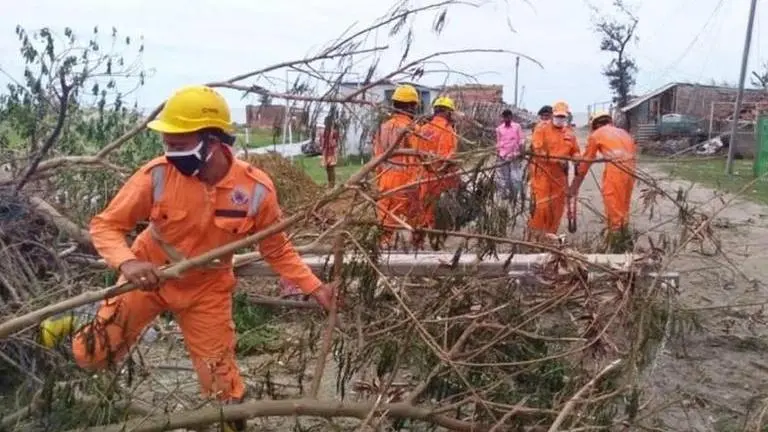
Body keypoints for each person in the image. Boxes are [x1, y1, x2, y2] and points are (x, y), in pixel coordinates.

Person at [40, 85, 336, 431]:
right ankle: (73, 322)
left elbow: (277, 248)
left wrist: (315, 287)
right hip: (150, 275)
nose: (170, 152)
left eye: (178, 145)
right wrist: (128, 264)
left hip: (206, 289)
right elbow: (105, 226)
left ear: (212, 142)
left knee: (222, 383)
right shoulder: (158, 175)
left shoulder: (255, 190)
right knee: (91, 354)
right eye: (166, 144)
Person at [570, 111, 637, 251]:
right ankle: (625, 238)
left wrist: (574, 187)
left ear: (595, 124)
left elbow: (586, 162)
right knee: (623, 208)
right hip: (631, 171)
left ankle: (618, 247)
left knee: (613, 208)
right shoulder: (623, 132)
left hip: (616, 171)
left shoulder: (597, 134)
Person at [373, 84, 423, 248]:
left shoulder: (383, 128)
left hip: (385, 181)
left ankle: (383, 249)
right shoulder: (414, 129)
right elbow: (419, 159)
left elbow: (377, 157)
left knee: (386, 222)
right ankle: (417, 251)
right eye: (414, 106)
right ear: (410, 106)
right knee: (416, 220)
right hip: (408, 182)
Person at [527, 101, 581, 240]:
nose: (560, 119)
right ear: (552, 115)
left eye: (563, 116)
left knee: (557, 208)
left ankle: (551, 237)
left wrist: (576, 158)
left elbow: (575, 150)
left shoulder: (569, 133)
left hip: (560, 176)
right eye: (557, 116)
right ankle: (536, 237)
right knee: (542, 207)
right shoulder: (541, 129)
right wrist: (557, 160)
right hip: (542, 174)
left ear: (567, 116)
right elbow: (538, 150)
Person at [416, 96, 459, 248]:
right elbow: (447, 158)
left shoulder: (423, 129)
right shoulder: (447, 130)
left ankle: (418, 242)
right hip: (439, 178)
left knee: (422, 209)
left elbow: (417, 154)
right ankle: (436, 243)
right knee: (438, 212)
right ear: (447, 112)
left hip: (422, 176)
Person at [495, 108, 524, 202]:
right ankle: (507, 194)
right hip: (503, 156)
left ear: (511, 117)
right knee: (505, 178)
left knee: (516, 178)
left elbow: (521, 140)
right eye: (504, 117)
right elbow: (498, 142)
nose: (506, 119)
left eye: (508, 117)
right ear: (503, 118)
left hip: (514, 156)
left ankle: (515, 195)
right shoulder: (499, 129)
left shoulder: (517, 127)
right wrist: (498, 154)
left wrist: (521, 153)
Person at [320, 117, 340, 188]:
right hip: (326, 152)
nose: (326, 124)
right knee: (327, 168)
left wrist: (332, 143)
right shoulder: (323, 132)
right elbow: (321, 142)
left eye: (327, 122)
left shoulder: (334, 132)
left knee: (331, 168)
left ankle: (332, 184)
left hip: (332, 152)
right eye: (326, 122)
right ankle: (329, 183)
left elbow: (336, 142)